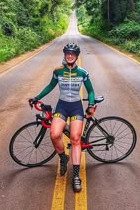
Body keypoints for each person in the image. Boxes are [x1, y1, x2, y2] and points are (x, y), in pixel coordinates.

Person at [29, 42, 95, 192]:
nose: (70, 55)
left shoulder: (83, 73)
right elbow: (50, 86)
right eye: (67, 53)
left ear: (77, 56)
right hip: (62, 106)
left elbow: (91, 91)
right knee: (54, 134)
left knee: (75, 139)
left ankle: (76, 176)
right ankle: (63, 157)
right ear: (65, 55)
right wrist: (36, 97)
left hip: (76, 107)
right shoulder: (58, 71)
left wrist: (90, 105)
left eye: (73, 53)